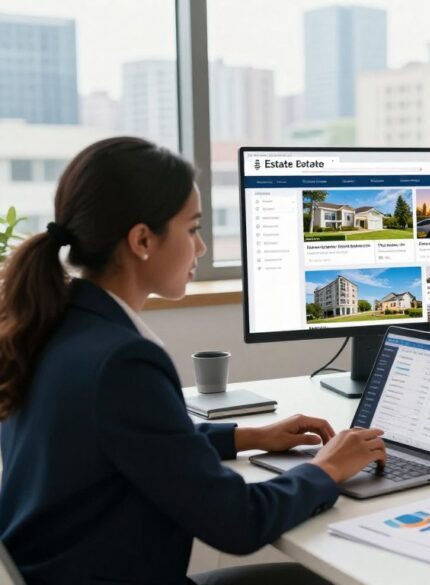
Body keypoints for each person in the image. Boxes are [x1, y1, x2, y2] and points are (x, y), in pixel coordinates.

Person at [0, 137, 387, 584]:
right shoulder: (123, 361)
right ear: (142, 240)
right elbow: (239, 523)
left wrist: (249, 436)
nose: (201, 248)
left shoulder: (57, 322)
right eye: (192, 229)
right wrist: (327, 468)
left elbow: (139, 442)